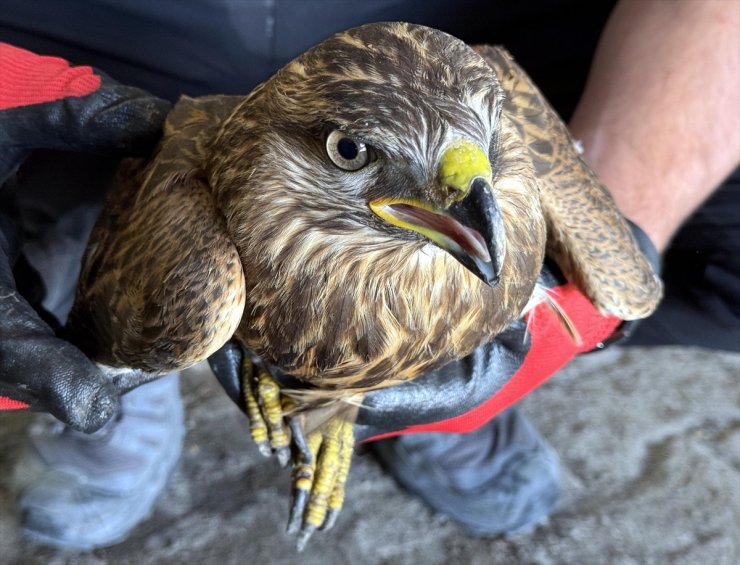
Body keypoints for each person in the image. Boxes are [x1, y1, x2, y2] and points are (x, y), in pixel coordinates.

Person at [0, 0, 737, 550]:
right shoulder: (208, 246)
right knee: (144, 324)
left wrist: (617, 224)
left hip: (456, 56)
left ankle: (395, 400)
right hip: (94, 35)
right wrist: (150, 308)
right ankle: (133, 370)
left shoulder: (484, 177)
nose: (480, 215)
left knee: (647, 274)